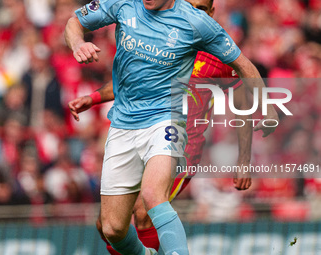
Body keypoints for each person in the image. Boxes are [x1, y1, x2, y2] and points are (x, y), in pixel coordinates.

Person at [65, 0, 279, 253]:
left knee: (147, 207)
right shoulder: (145, 19)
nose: (195, 12)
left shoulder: (213, 49)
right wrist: (94, 97)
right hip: (130, 125)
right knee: (109, 226)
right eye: (191, 5)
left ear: (211, 12)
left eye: (201, 8)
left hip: (179, 138)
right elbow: (133, 79)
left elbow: (242, 98)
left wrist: (244, 158)